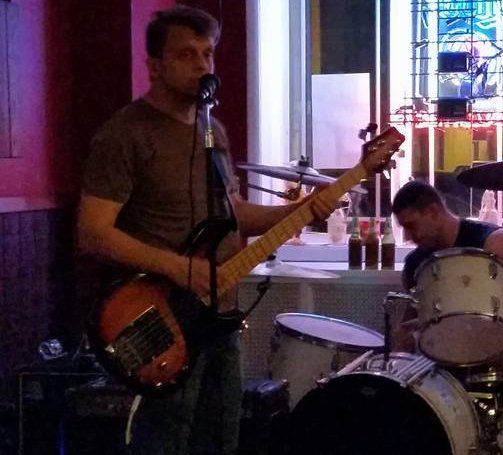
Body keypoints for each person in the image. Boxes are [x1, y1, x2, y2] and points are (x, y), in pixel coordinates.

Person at [77, 5, 334, 454]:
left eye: (208, 53)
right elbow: (93, 232)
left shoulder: (212, 131)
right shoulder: (125, 134)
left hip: (219, 314)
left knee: (219, 438)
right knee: (165, 439)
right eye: (186, 54)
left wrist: (299, 211)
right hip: (162, 315)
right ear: (154, 66)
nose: (202, 65)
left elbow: (233, 213)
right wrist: (178, 268)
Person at [390, 179, 503, 351]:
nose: (407, 237)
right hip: (443, 356)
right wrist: (404, 336)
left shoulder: (491, 242)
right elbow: (413, 315)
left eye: (411, 226)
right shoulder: (415, 264)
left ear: (433, 212)